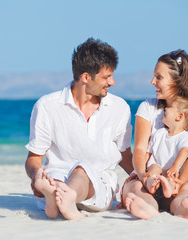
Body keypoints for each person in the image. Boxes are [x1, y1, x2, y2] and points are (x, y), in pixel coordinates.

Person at [25, 38, 133, 220]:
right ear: (85, 77)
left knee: (82, 171)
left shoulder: (119, 108)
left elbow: (125, 155)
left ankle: (62, 198)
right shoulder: (47, 106)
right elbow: (33, 159)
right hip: (57, 174)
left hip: (98, 183)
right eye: (106, 77)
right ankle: (56, 195)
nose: (112, 82)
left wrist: (143, 179)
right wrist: (37, 175)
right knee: (54, 179)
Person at [120, 50, 188, 220]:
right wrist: (142, 175)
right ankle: (148, 206)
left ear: (178, 81)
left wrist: (179, 183)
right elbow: (140, 148)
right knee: (134, 188)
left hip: (178, 182)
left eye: (159, 77)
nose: (152, 81)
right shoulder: (147, 108)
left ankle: (182, 206)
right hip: (148, 179)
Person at [137, 96, 188, 199]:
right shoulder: (159, 133)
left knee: (172, 177)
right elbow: (148, 152)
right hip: (156, 164)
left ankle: (169, 186)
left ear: (179, 117)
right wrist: (143, 170)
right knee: (153, 170)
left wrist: (175, 166)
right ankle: (151, 183)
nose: (165, 108)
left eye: (170, 107)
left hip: (171, 169)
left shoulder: (186, 137)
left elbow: (185, 150)